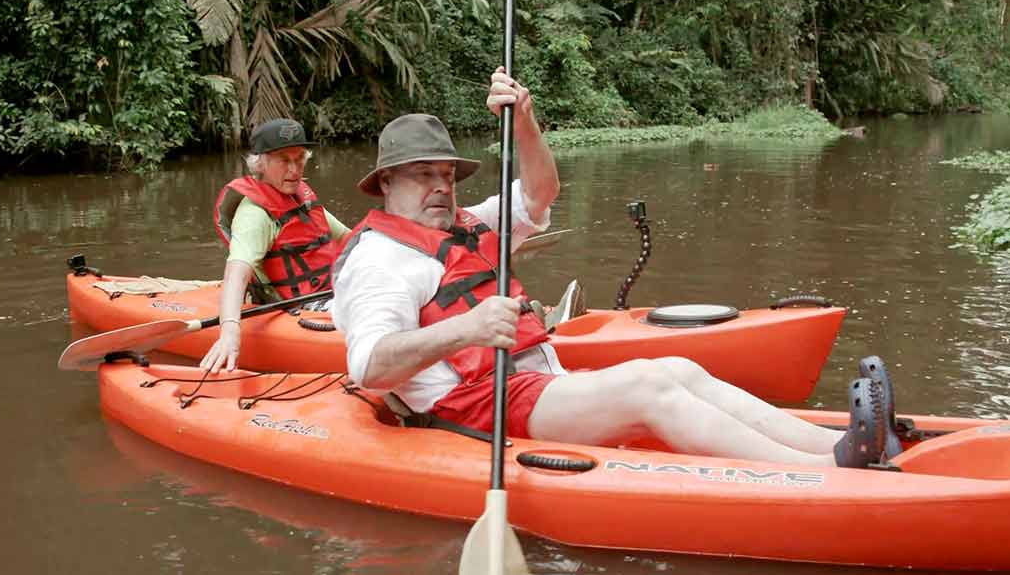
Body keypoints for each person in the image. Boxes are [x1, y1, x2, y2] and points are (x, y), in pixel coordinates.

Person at [331, 68, 894, 468]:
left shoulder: (463, 222)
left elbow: (538, 194)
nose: (440, 186)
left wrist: (523, 120)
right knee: (650, 386)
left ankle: (838, 442)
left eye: (448, 175)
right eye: (424, 174)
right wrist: (467, 329)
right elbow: (370, 366)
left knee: (678, 368)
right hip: (476, 409)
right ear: (386, 183)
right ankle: (826, 473)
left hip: (532, 383)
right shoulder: (378, 260)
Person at [201, 118, 350, 373]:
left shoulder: (300, 198)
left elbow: (351, 238)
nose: (294, 169)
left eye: (300, 158)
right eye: (284, 160)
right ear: (261, 163)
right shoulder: (255, 216)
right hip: (303, 305)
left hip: (330, 290)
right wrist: (229, 329)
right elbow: (237, 273)